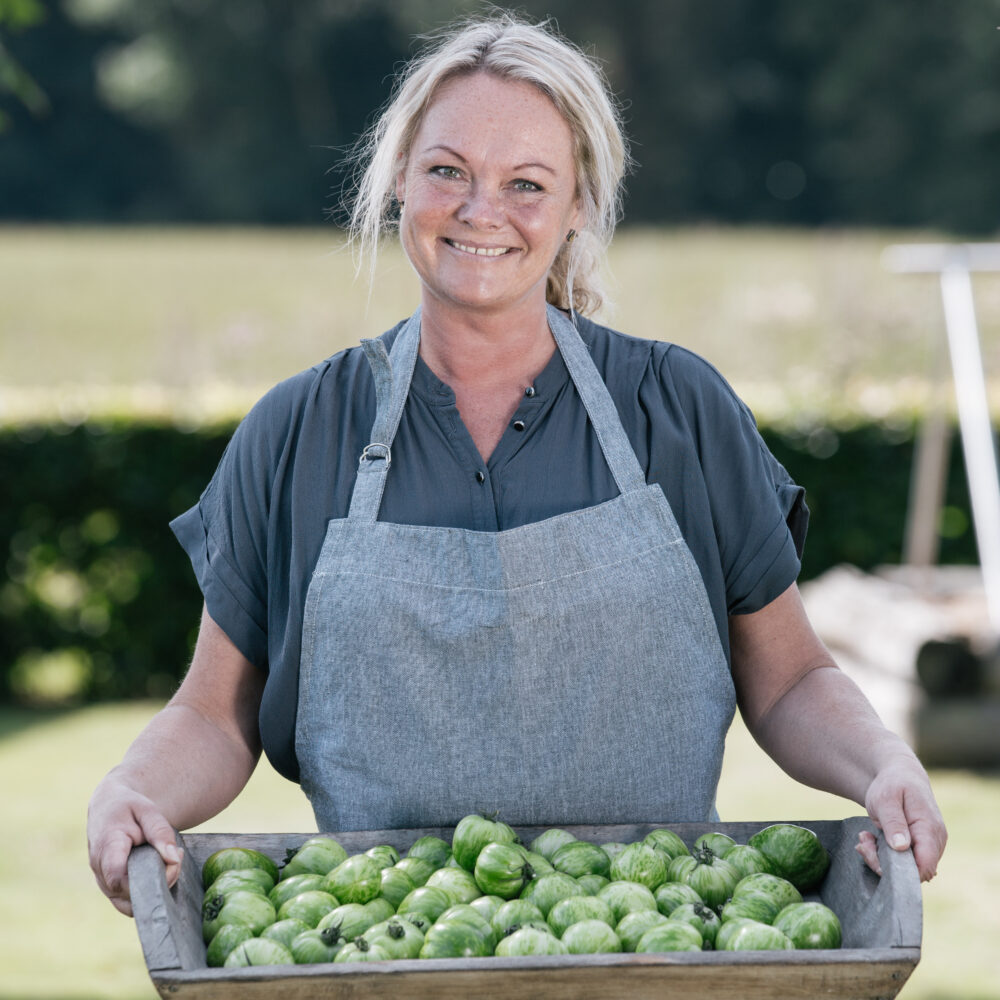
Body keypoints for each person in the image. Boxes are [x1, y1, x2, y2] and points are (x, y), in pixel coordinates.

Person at [87, 12, 946, 917]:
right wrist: (133, 786)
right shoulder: (300, 430)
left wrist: (883, 762)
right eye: (447, 170)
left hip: (649, 947)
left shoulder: (676, 409)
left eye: (526, 183)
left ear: (579, 206)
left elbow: (792, 679)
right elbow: (214, 715)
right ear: (399, 185)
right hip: (389, 945)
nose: (480, 210)